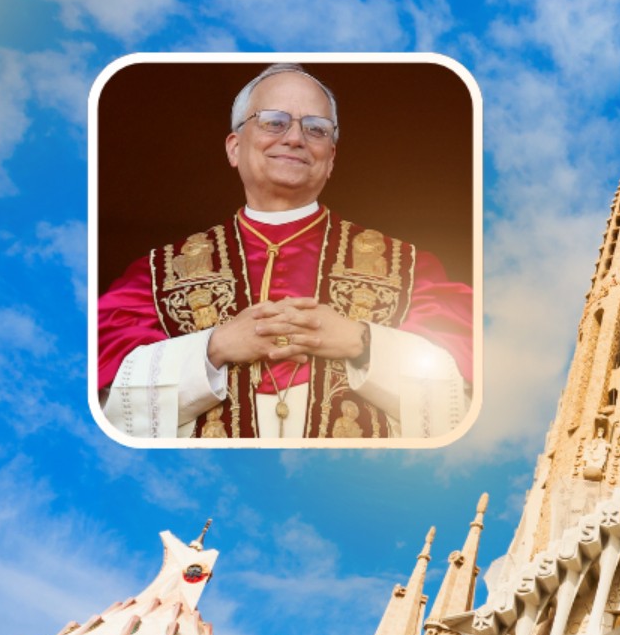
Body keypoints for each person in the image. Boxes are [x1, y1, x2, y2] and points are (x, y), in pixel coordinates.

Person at [97, 63, 472, 440]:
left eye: (315, 129)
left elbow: (465, 390)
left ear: (331, 159)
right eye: (273, 122)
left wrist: (362, 342)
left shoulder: (407, 270)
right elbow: (100, 398)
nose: (295, 138)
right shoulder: (158, 275)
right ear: (234, 147)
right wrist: (214, 347)